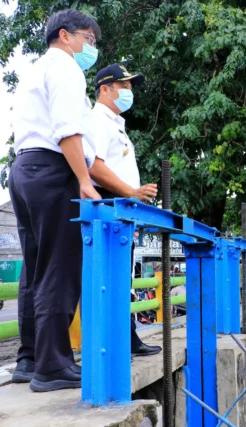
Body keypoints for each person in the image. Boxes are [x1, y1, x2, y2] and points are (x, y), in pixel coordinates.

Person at [9, 10, 102, 392]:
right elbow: (67, 129)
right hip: (53, 169)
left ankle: (29, 359)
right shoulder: (65, 68)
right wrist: (83, 179)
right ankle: (52, 365)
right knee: (59, 268)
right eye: (89, 40)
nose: (90, 48)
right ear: (65, 35)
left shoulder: (33, 70)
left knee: (34, 269)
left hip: (24, 169)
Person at [85, 63, 161, 356]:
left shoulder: (115, 124)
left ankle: (124, 338)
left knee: (121, 277)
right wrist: (131, 191)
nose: (130, 92)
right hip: (107, 204)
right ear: (105, 89)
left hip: (121, 207)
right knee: (110, 278)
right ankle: (114, 343)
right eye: (125, 86)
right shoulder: (97, 121)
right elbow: (95, 166)